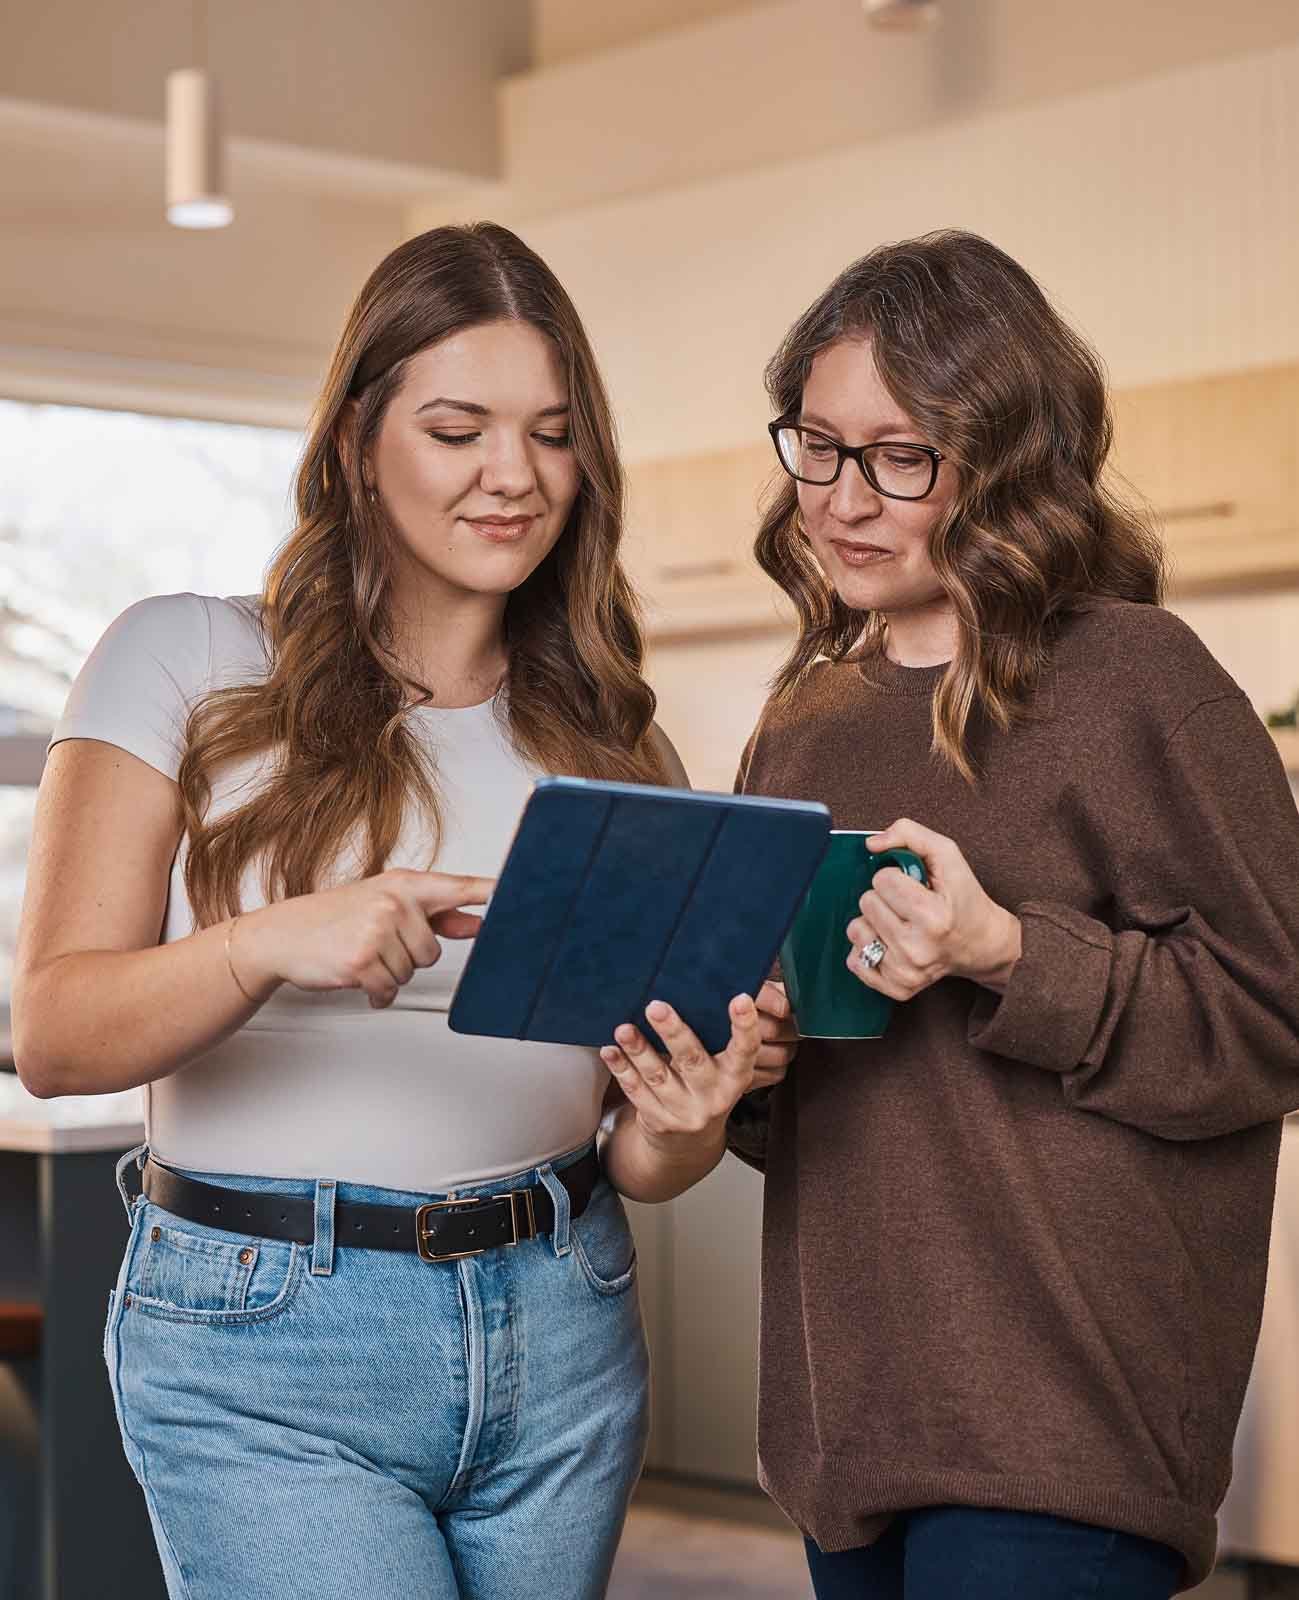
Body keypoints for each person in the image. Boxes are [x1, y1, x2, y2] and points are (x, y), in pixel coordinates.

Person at [12, 221, 795, 1600]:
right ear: (358, 439)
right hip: (266, 1340)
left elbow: (638, 1154)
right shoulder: (180, 659)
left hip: (564, 1318)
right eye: (458, 429)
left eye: (554, 435)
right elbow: (57, 1034)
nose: (514, 476)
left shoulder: (617, 747)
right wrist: (267, 943)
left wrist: (690, 1120)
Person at [729, 229, 1299, 1599]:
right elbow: (803, 1106)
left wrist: (1003, 952)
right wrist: (748, 1055)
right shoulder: (803, 718)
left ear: (1005, 459)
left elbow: (1279, 1017)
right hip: (848, 1425)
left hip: (1068, 1430)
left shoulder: (1135, 681)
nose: (844, 499)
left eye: (900, 457)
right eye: (818, 445)